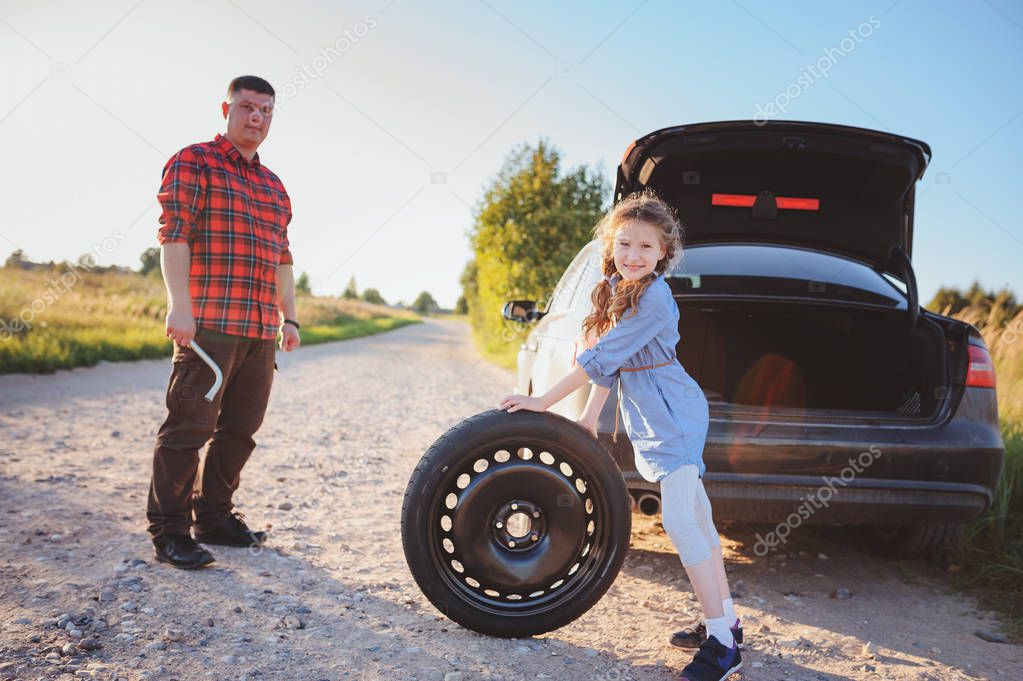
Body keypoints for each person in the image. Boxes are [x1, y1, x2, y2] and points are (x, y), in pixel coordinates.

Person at [499, 191, 742, 681]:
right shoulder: (616, 287)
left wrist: (541, 401)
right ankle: (727, 624)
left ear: (663, 254)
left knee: (681, 520)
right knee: (698, 515)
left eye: (645, 248)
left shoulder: (655, 296)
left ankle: (722, 644)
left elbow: (600, 360)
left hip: (674, 415)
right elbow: (611, 369)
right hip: (658, 416)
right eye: (625, 244)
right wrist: (589, 420)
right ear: (612, 247)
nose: (633, 255)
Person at [146, 75, 301, 570]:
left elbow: (282, 259)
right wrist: (180, 305)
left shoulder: (275, 187)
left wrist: (290, 318)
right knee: (189, 429)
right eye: (248, 107)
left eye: (266, 111)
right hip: (209, 327)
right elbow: (175, 234)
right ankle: (169, 531)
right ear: (227, 108)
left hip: (259, 334)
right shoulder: (194, 161)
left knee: (240, 432)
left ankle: (213, 518)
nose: (257, 117)